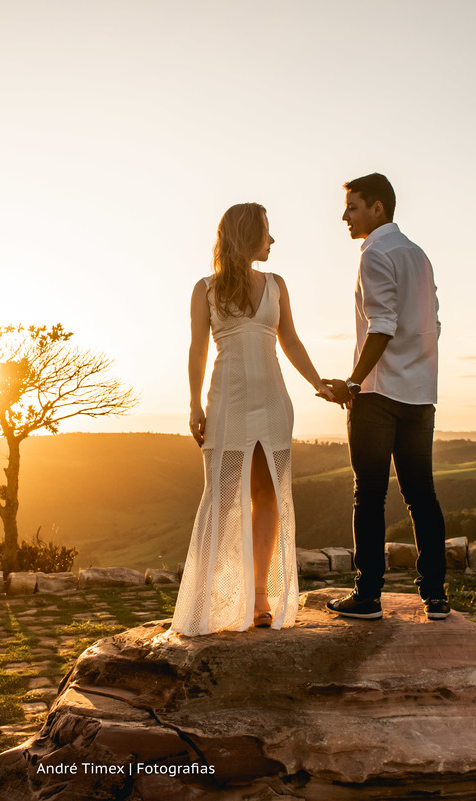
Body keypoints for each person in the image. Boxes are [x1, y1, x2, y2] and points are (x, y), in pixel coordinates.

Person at [171, 203, 324, 636]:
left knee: (267, 495)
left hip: (273, 402)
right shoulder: (205, 289)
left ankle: (260, 599)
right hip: (227, 403)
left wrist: (319, 383)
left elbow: (290, 340)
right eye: (266, 232)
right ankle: (203, 602)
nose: (272, 241)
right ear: (246, 234)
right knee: (220, 500)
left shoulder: (277, 285)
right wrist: (194, 405)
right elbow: (197, 349)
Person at [320, 173, 449, 621]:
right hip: (420, 394)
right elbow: (434, 322)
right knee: (421, 496)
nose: (345, 216)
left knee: (370, 496)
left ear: (378, 208)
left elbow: (382, 325)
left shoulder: (375, 253)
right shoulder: (419, 255)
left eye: (352, 207)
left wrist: (353, 383)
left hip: (378, 394)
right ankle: (435, 596)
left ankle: (368, 596)